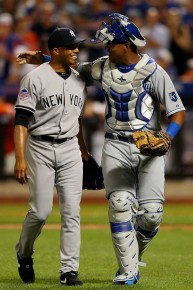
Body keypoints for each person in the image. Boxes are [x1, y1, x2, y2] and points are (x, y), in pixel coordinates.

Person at [16, 13, 186, 285]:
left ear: (126, 44)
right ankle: (127, 270)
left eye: (110, 44)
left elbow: (177, 112)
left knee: (152, 215)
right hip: (115, 143)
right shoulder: (101, 68)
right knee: (119, 205)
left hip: (149, 148)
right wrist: (44, 59)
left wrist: (168, 137)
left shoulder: (154, 71)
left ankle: (134, 254)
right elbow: (69, 67)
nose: (105, 48)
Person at [14, 27, 103, 286]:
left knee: (72, 211)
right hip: (39, 147)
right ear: (55, 51)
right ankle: (24, 252)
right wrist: (20, 159)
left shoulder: (78, 80)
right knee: (40, 212)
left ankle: (68, 270)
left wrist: (84, 152)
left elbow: (76, 121)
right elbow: (21, 120)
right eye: (71, 47)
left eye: (77, 46)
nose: (77, 50)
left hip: (70, 151)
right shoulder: (34, 78)